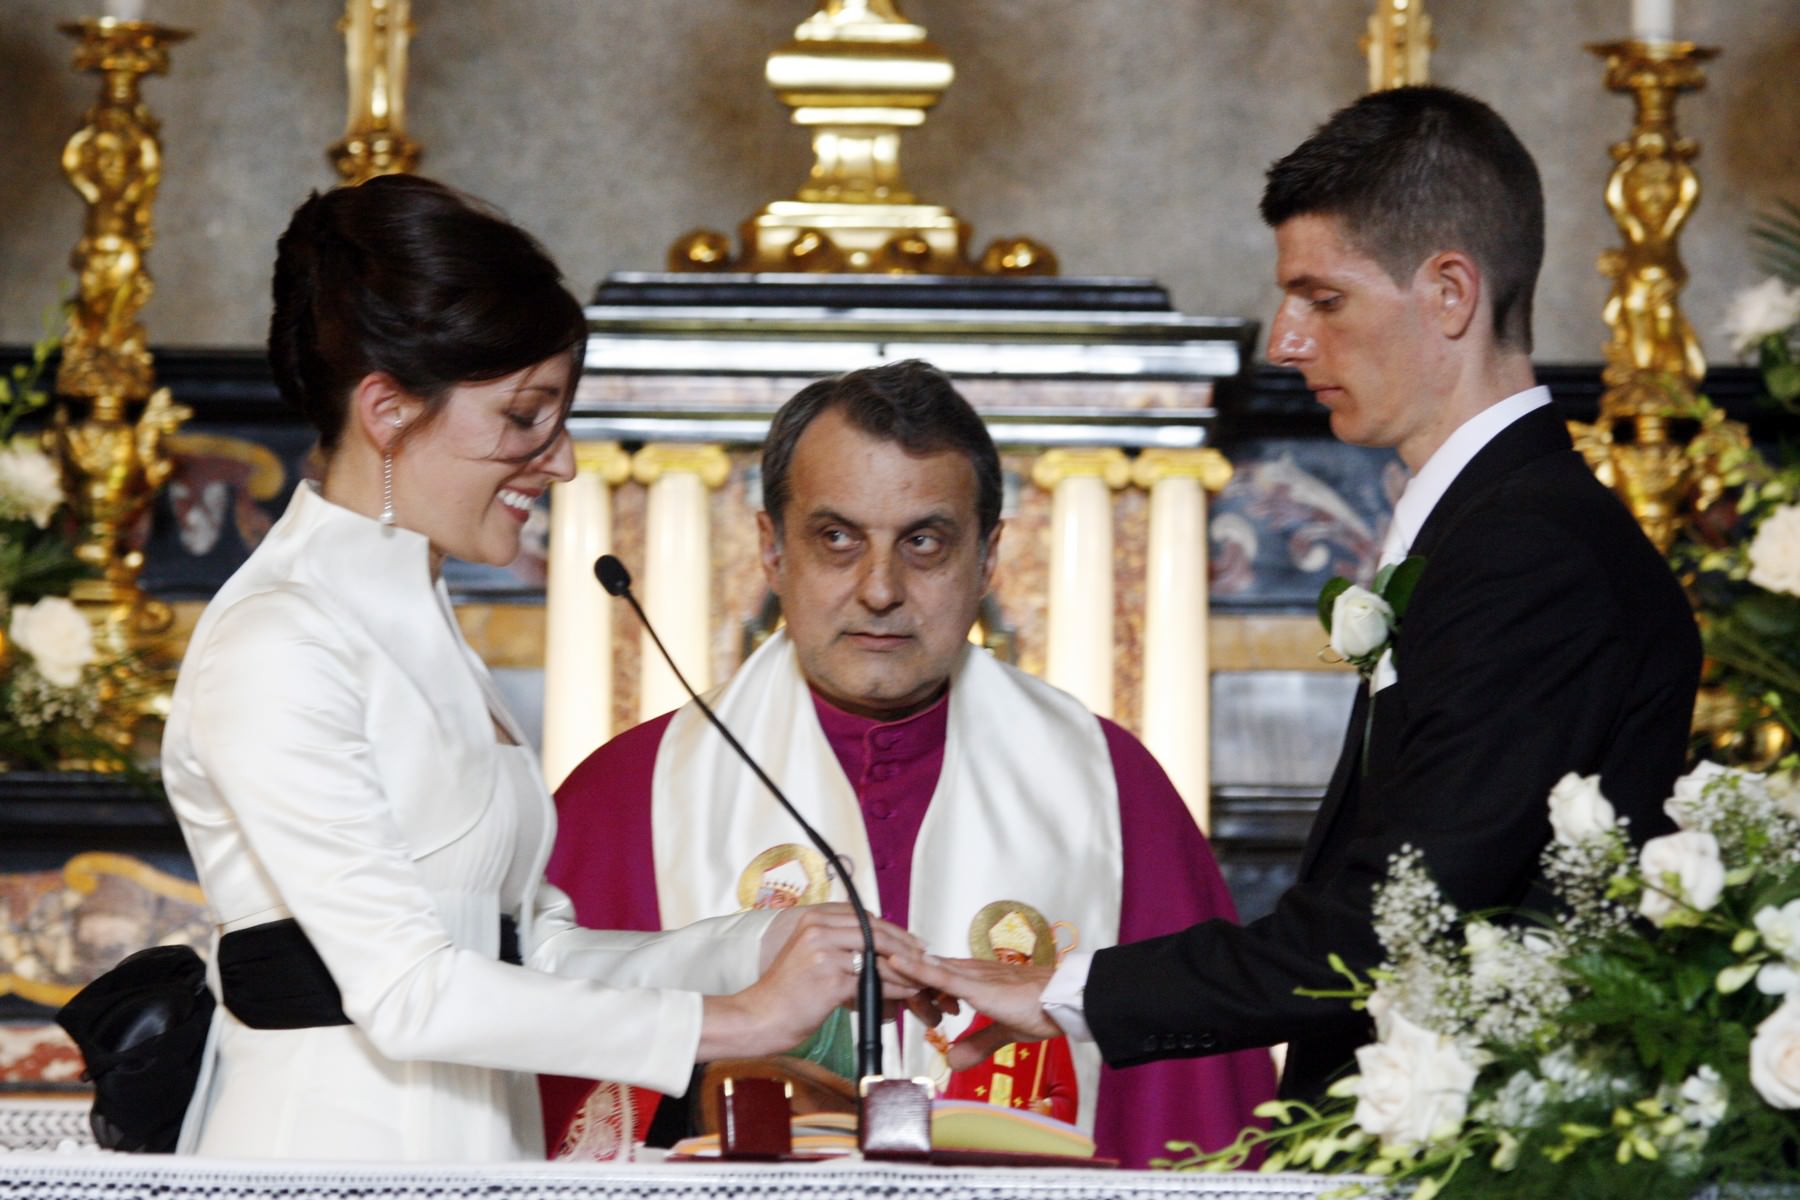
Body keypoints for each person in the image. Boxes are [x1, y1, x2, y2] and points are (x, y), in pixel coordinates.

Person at [900, 86, 1704, 1104]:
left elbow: (1392, 925)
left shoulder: (1533, 556)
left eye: (1324, 300)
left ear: (1449, 294)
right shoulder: (1493, 531)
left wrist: (1062, 993)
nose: (1285, 341)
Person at [159, 175, 921, 1161]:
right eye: (525, 417)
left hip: (487, 1160)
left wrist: (757, 948)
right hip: (328, 1159)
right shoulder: (277, 641)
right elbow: (409, 991)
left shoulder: (417, 622)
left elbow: (533, 949)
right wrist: (730, 1026)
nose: (558, 462)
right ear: (387, 410)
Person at [545, 359, 1275, 1166]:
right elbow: (557, 1112)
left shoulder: (1113, 789)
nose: (880, 588)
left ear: (989, 557)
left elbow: (1196, 1122)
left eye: (924, 543)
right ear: (770, 550)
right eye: (836, 540)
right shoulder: (628, 796)